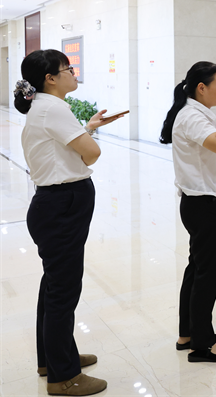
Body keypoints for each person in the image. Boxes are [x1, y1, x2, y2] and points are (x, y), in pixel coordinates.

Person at [16, 50, 124, 396]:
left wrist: (87, 128)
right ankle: (63, 377)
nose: (73, 73)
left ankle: (52, 359)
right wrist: (88, 140)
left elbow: (60, 147)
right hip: (62, 205)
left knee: (54, 286)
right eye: (68, 69)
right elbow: (92, 153)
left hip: (54, 204)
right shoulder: (54, 107)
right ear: (50, 78)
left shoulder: (44, 107)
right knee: (63, 291)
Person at [160, 61, 216, 363]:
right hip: (206, 203)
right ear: (201, 88)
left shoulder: (193, 113)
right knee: (208, 273)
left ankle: (189, 333)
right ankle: (202, 343)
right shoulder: (192, 116)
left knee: (197, 269)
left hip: (201, 201)